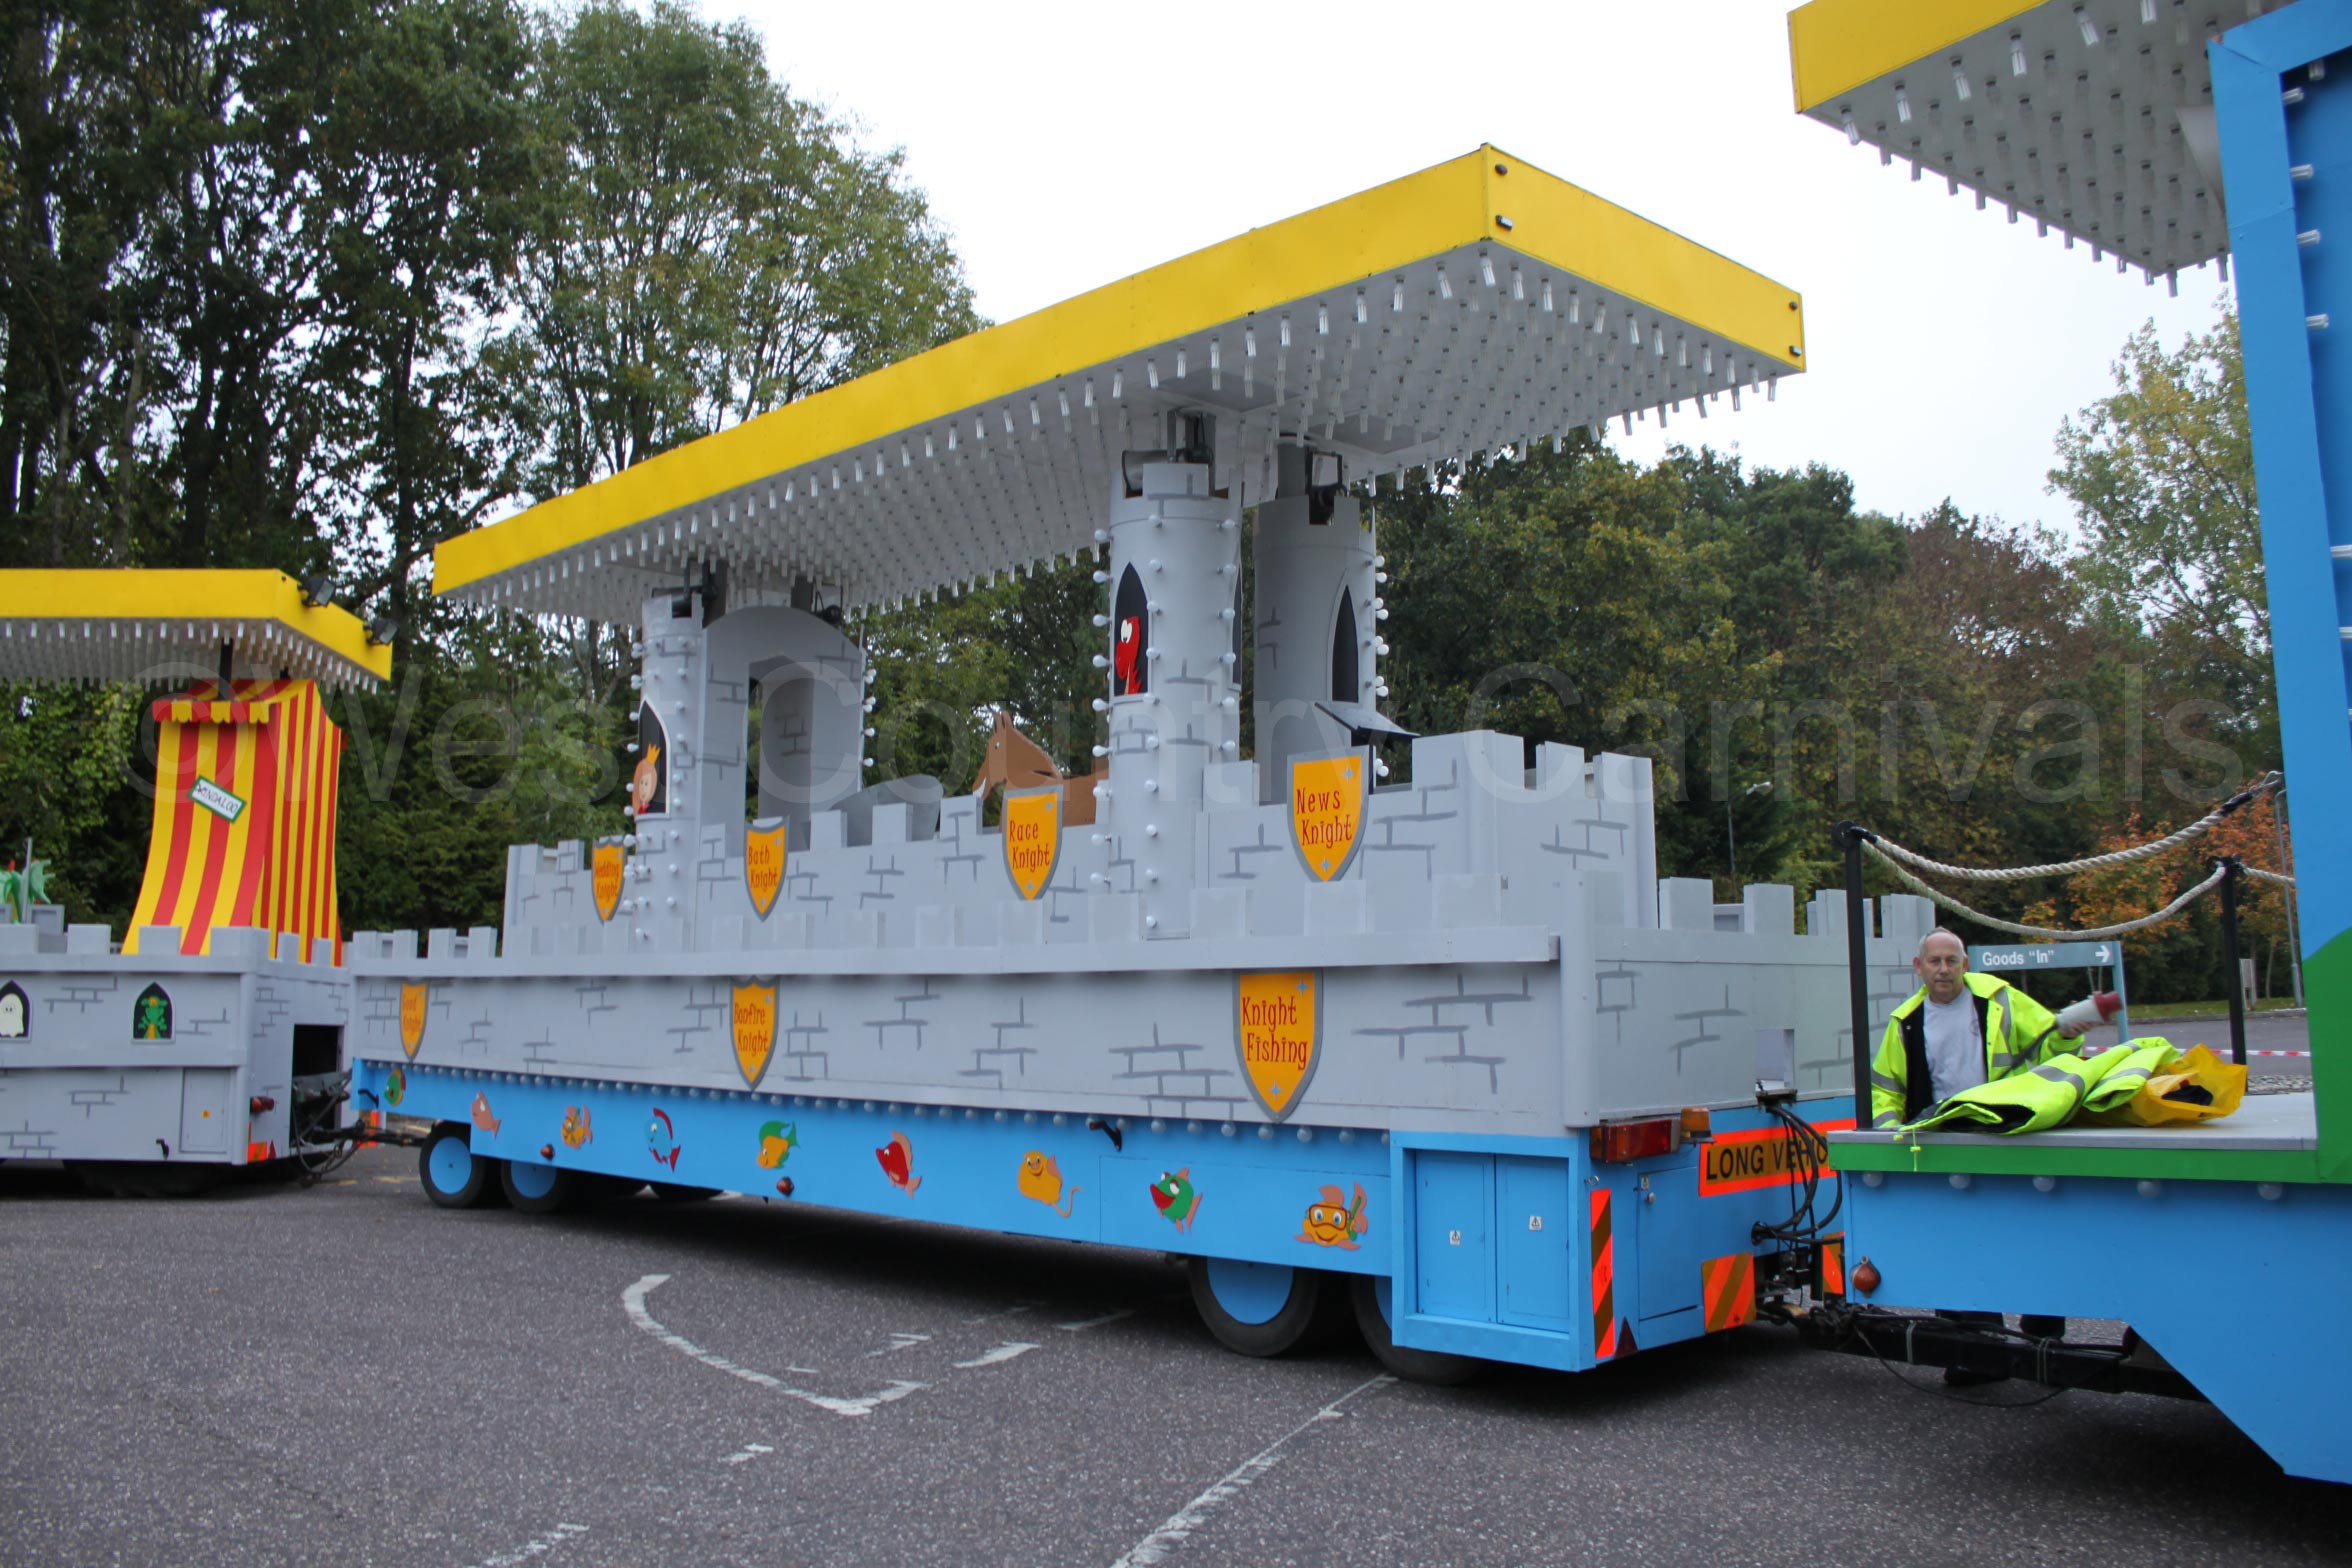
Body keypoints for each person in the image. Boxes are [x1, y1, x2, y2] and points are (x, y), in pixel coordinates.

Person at [1872, 927, 2087, 1377]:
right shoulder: (1905, 1022)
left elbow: (2053, 1043)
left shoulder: (2000, 1000)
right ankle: (1979, 1353)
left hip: (2010, 1139)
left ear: (1965, 964)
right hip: (1946, 1147)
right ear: (1919, 967)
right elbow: (1886, 1091)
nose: (1944, 970)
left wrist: (2070, 1033)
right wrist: (1895, 1140)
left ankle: (2043, 1343)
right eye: (1935, 962)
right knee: (1958, 1250)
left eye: (1952, 960)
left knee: (2028, 1242)